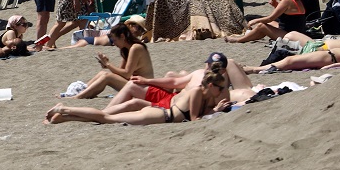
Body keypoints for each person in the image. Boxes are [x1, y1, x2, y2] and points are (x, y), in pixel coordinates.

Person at [46, 65, 230, 125]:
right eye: (220, 88)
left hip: (161, 112)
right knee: (106, 117)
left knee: (108, 117)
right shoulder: (197, 91)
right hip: (161, 115)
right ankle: (64, 108)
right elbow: (195, 119)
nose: (222, 92)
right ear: (211, 85)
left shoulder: (198, 92)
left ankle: (66, 117)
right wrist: (215, 112)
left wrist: (215, 109)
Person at [66, 22, 153, 99]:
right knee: (102, 73)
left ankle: (78, 96)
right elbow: (121, 74)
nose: (114, 44)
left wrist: (108, 64)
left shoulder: (136, 48)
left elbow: (127, 73)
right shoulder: (126, 49)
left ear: (122, 36)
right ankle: (82, 91)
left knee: (107, 76)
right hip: (134, 84)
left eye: (115, 40)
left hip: (144, 88)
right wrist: (106, 65)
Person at [226, 0, 307, 43]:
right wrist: (276, 5)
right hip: (296, 32)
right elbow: (288, 15)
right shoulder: (296, 0)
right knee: (267, 24)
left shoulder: (286, 1)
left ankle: (239, 39)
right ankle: (249, 36)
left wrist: (253, 21)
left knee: (261, 26)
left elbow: (270, 18)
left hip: (290, 35)